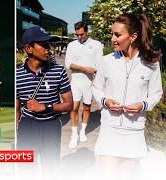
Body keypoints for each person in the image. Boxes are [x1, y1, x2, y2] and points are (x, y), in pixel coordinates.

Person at [91, 14, 162, 178]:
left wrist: (142, 105)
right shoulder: (106, 61)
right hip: (110, 129)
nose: (112, 39)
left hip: (134, 132)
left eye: (118, 34)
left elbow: (156, 93)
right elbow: (96, 88)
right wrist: (105, 101)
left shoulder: (150, 63)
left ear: (133, 37)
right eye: (112, 34)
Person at [16, 26, 73, 176]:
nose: (49, 49)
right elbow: (16, 110)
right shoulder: (17, 74)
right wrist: (16, 134)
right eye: (44, 45)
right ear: (29, 49)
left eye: (50, 45)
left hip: (51, 127)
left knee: (50, 171)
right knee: (25, 171)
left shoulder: (59, 71)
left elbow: (69, 105)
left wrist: (45, 107)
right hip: (27, 127)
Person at [65, 21, 103, 148]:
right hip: (75, 81)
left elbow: (99, 66)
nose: (79, 37)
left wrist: (96, 80)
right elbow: (68, 64)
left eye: (81, 34)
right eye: (77, 35)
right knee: (74, 107)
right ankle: (74, 134)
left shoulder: (97, 45)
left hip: (89, 83)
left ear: (87, 32)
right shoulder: (71, 45)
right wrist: (84, 69)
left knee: (87, 108)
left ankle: (82, 132)